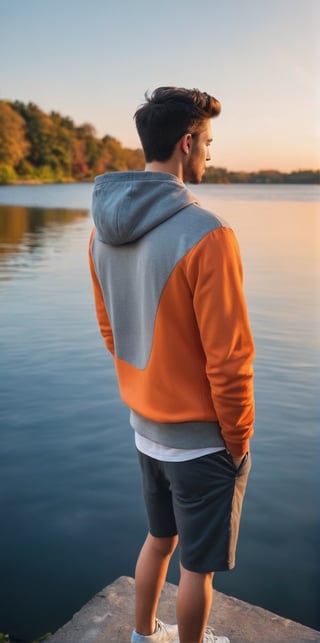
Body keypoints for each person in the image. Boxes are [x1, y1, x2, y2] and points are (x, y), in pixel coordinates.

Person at [88, 87, 255, 643]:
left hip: (143, 430)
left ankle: (142, 634)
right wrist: (238, 438)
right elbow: (229, 360)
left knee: (159, 539)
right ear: (186, 144)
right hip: (201, 442)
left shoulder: (99, 233)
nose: (209, 153)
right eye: (207, 142)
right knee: (196, 568)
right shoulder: (209, 234)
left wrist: (147, 390)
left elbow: (111, 332)